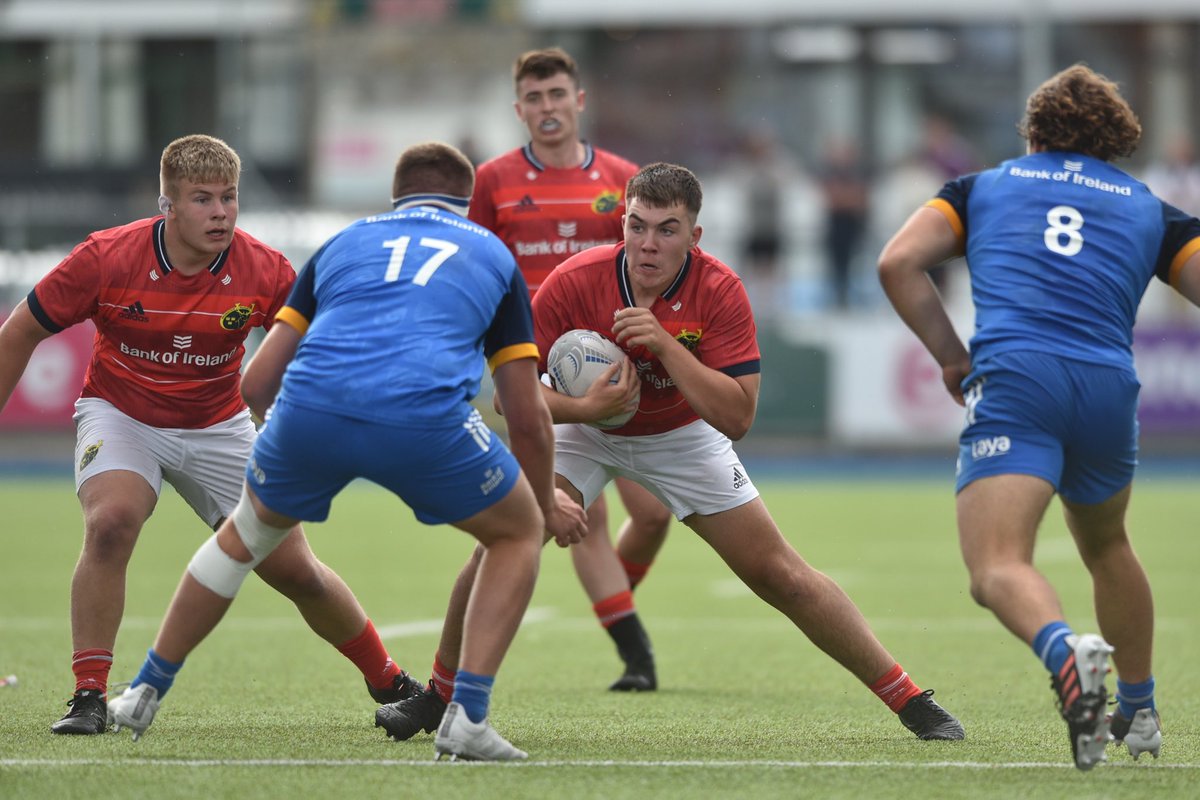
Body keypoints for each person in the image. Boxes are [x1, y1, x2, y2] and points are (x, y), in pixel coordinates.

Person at [380, 161, 966, 746]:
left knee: (779, 575)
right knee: (503, 541)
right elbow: (512, 401)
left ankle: (910, 700)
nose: (648, 243)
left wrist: (663, 345)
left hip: (683, 437)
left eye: (666, 229)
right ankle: (437, 697)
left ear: (694, 236)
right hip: (585, 432)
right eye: (636, 226)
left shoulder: (720, 289)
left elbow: (737, 415)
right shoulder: (573, 281)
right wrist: (586, 410)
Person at [106, 141, 588, 761]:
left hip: (311, 410)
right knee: (518, 530)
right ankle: (467, 717)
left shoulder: (343, 244)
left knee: (243, 535)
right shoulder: (490, 252)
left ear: (396, 199)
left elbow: (255, 384)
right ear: (465, 206)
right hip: (423, 417)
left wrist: (294, 437)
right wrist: (545, 495)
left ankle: (143, 689)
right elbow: (525, 413)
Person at [0, 134, 413, 736]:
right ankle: (88, 696)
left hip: (219, 425)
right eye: (202, 200)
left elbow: (319, 350)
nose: (221, 212)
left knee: (292, 568)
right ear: (166, 206)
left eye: (229, 197)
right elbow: (18, 333)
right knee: (111, 522)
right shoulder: (105, 257)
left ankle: (391, 681)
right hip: (122, 415)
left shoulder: (266, 269)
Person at [877, 64, 1200, 770]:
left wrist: (950, 356)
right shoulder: (1150, 206)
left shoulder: (982, 188)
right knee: (1109, 546)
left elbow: (899, 262)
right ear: (1116, 136)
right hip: (1109, 389)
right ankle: (1139, 711)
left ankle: (1066, 654)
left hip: (1020, 381)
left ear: (1035, 129)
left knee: (996, 565)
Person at [467, 46, 671, 692]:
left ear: (578, 101)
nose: (547, 108)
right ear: (519, 109)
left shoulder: (621, 178)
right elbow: (472, 271)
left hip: (616, 360)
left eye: (557, 95)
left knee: (655, 513)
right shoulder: (493, 181)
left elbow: (654, 263)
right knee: (584, 514)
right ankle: (635, 654)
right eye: (534, 98)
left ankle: (614, 600)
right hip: (531, 362)